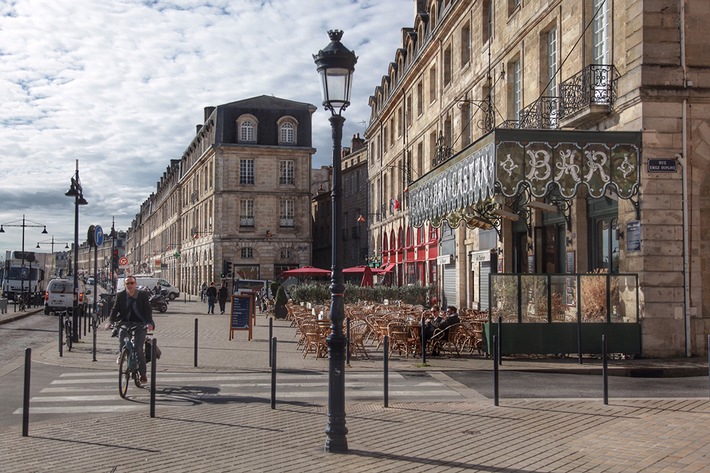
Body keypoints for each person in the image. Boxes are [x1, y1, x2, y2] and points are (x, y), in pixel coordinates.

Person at [105, 275, 155, 384]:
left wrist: (149, 323)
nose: (130, 285)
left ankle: (142, 374)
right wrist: (110, 322)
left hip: (140, 323)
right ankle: (122, 353)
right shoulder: (121, 295)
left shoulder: (142, 295)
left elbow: (147, 310)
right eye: (128, 283)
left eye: (132, 283)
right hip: (126, 322)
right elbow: (115, 309)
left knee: (138, 349)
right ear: (125, 285)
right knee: (122, 334)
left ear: (135, 284)